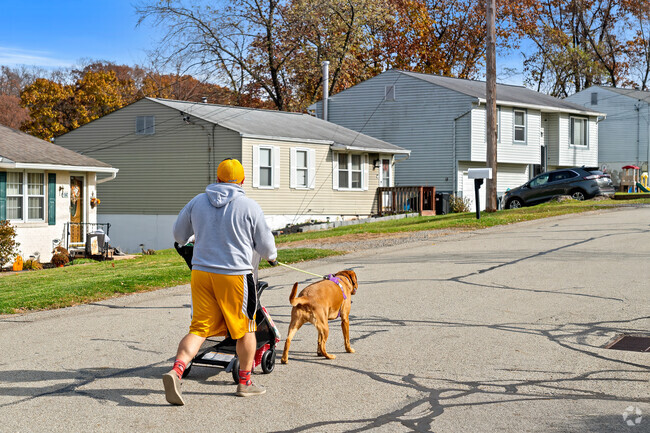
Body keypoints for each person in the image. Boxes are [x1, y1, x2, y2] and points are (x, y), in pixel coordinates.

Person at [163, 158, 278, 405]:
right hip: (235, 276)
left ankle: (177, 370)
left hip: (201, 273)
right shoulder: (249, 206)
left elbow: (178, 235)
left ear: (217, 179)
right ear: (242, 181)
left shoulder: (197, 201)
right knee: (245, 328)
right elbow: (267, 246)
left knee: (199, 328)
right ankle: (245, 382)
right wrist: (272, 258)